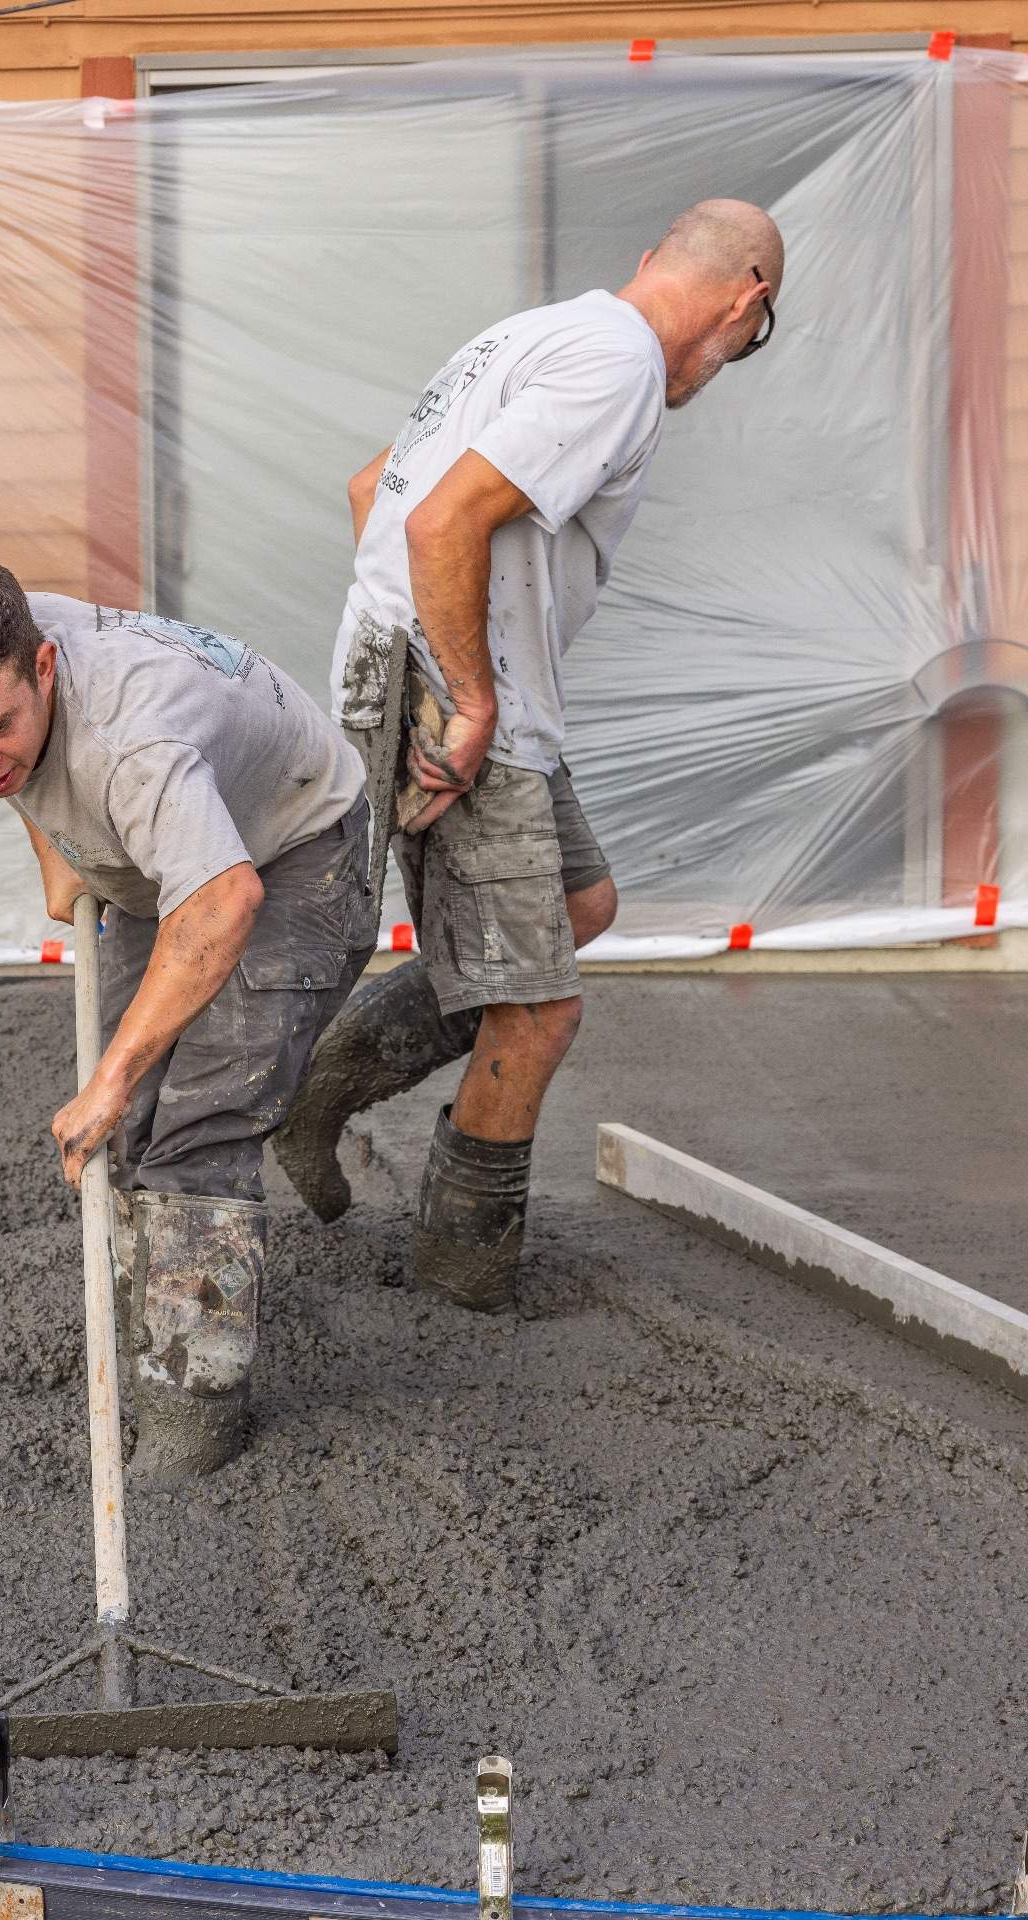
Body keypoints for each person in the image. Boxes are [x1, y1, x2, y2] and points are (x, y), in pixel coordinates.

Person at [273, 199, 786, 1309]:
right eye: (757, 335)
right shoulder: (620, 369)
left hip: (475, 684)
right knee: (541, 1009)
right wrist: (464, 696)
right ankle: (465, 1270)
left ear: (652, 261)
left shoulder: (534, 334)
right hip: (460, 694)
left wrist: (452, 669)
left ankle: (326, 1080)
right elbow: (437, 524)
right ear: (747, 306)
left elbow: (375, 487)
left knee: (582, 905)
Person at [0, 553, 374, 1480]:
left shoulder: (135, 743)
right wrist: (58, 848)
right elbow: (17, 767)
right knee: (129, 1130)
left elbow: (222, 904)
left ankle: (192, 1417)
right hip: (165, 863)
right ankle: (149, 1340)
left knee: (195, 1130)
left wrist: (107, 1078)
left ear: (45, 667)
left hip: (294, 850)